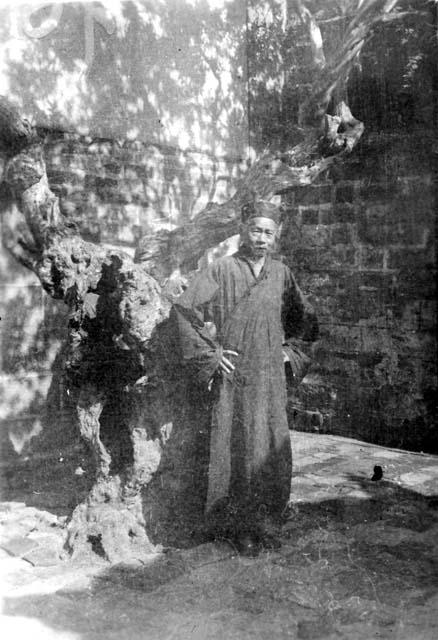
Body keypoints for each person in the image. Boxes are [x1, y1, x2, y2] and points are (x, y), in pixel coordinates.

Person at [172, 200, 318, 555]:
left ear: (276, 235)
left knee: (269, 445)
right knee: (235, 446)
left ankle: (266, 522)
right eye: (256, 230)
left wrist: (292, 353)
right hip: (235, 374)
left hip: (269, 375)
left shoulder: (281, 273)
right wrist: (211, 355)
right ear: (243, 229)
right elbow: (184, 309)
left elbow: (306, 320)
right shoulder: (221, 269)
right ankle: (238, 526)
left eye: (269, 232)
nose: (262, 239)